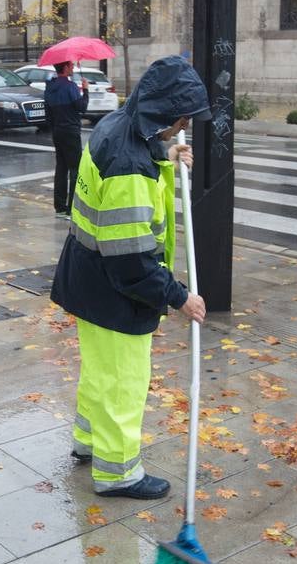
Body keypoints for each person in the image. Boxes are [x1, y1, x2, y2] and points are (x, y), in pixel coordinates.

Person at [50, 55, 211, 499]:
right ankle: (119, 472)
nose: (181, 128)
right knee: (123, 383)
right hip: (114, 290)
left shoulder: (116, 124)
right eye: (179, 122)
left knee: (99, 372)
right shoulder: (130, 168)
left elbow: (134, 151)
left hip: (86, 278)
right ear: (165, 113)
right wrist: (178, 297)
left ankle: (87, 443)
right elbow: (131, 259)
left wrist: (165, 153)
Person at [45, 61, 89, 217]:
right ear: (64, 68)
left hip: (57, 131)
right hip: (71, 131)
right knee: (75, 170)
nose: (73, 68)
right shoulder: (70, 87)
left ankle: (60, 207)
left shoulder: (49, 87)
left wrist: (55, 126)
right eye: (71, 66)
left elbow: (48, 114)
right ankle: (72, 208)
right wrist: (85, 90)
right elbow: (82, 107)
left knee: (61, 169)